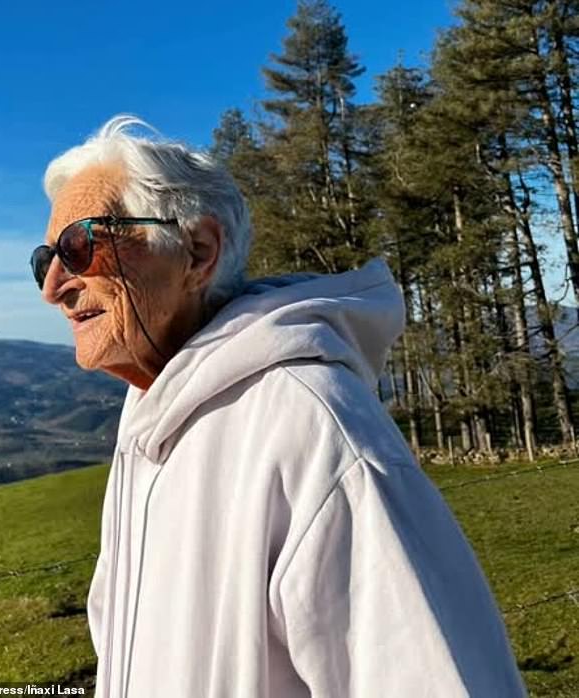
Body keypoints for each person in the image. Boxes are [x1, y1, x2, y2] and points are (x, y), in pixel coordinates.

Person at [32, 115, 526, 698]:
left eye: (81, 245)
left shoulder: (312, 425)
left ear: (198, 252)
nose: (53, 287)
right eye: (46, 259)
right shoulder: (147, 416)